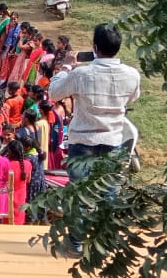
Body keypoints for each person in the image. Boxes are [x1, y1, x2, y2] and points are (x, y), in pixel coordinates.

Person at [47, 23, 141, 182]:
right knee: (108, 193)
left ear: (95, 48)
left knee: (80, 195)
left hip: (82, 143)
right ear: (117, 47)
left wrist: (67, 67)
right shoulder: (132, 74)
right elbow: (132, 98)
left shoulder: (81, 74)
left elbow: (54, 93)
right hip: (113, 140)